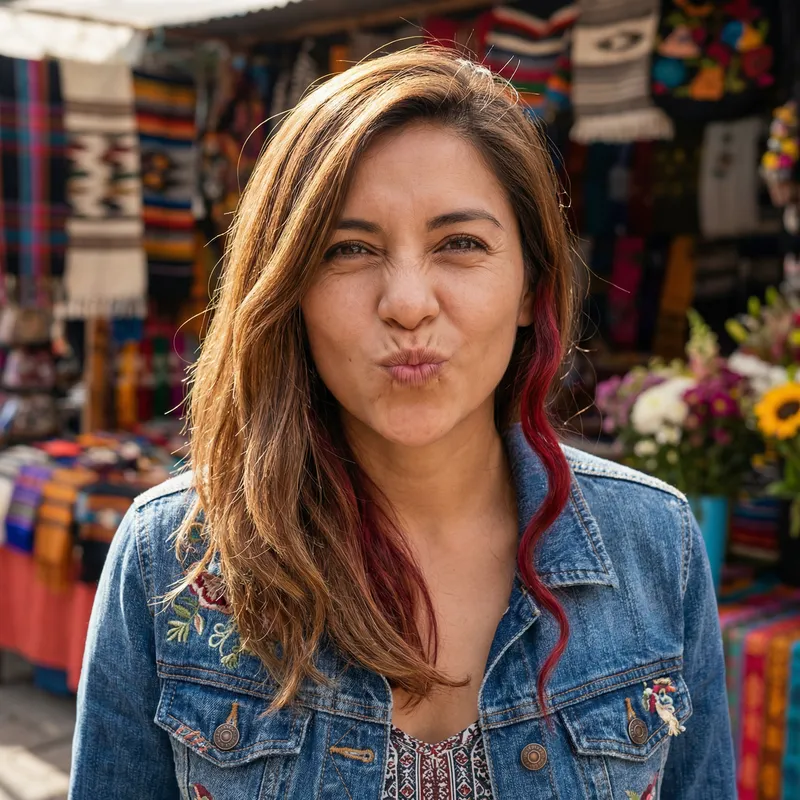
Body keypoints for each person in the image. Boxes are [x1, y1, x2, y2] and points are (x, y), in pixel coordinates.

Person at [70, 48, 735, 799]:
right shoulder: (174, 559)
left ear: (530, 286)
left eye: (460, 244)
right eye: (349, 249)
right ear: (287, 287)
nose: (408, 301)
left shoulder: (654, 545)